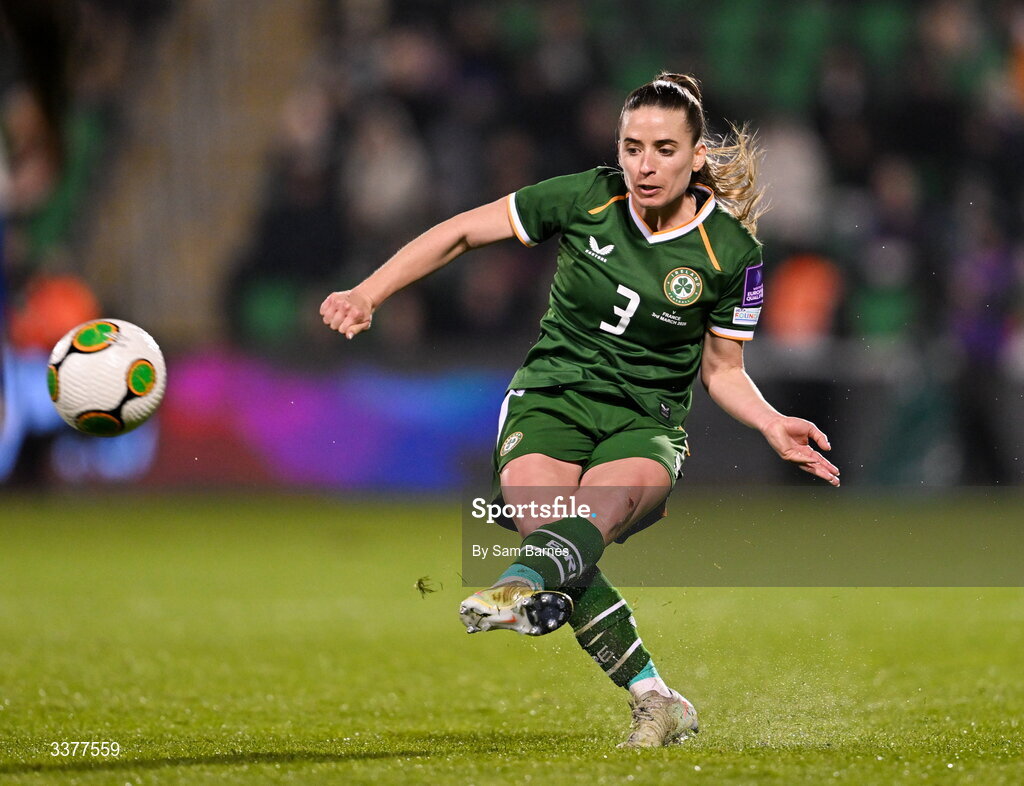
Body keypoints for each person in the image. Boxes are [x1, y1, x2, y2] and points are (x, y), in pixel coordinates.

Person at [320, 73, 840, 748]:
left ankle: (516, 587)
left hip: (644, 424)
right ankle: (655, 698)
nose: (644, 165)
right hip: (550, 402)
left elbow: (722, 371)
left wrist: (771, 421)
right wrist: (370, 292)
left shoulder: (733, 254)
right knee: (558, 543)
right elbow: (460, 233)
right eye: (631, 147)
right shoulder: (585, 197)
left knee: (579, 529)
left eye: (662, 149)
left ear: (696, 157)